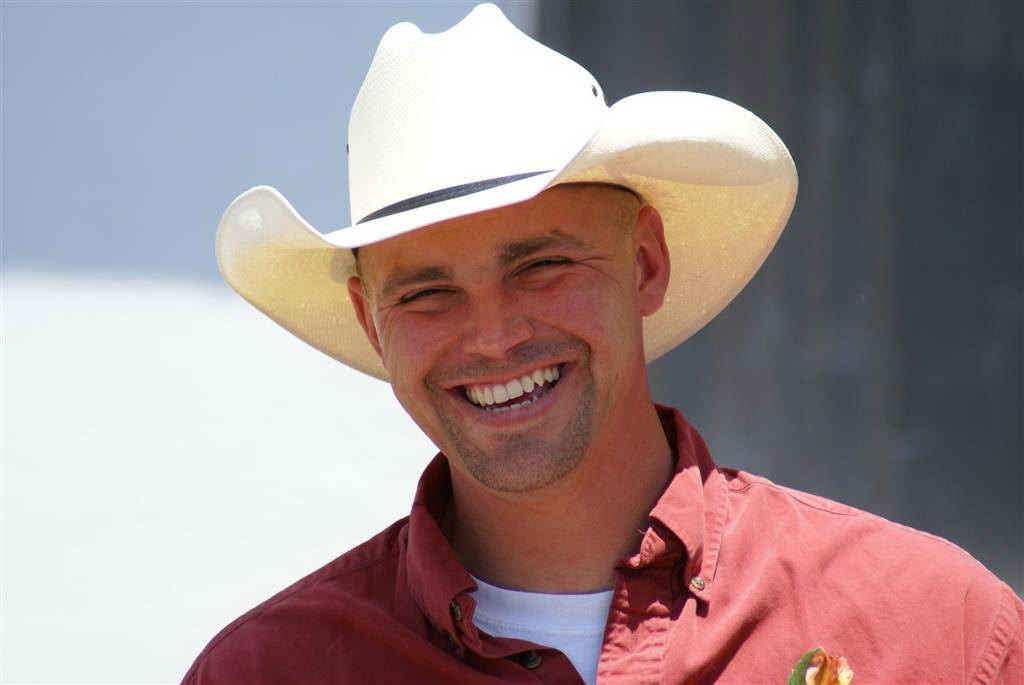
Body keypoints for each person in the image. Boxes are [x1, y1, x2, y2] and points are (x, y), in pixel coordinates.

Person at [184, 5, 1022, 684]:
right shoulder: (268, 671)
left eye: (541, 266)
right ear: (373, 324)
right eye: (427, 291)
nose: (494, 333)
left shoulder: (936, 632)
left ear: (646, 263)